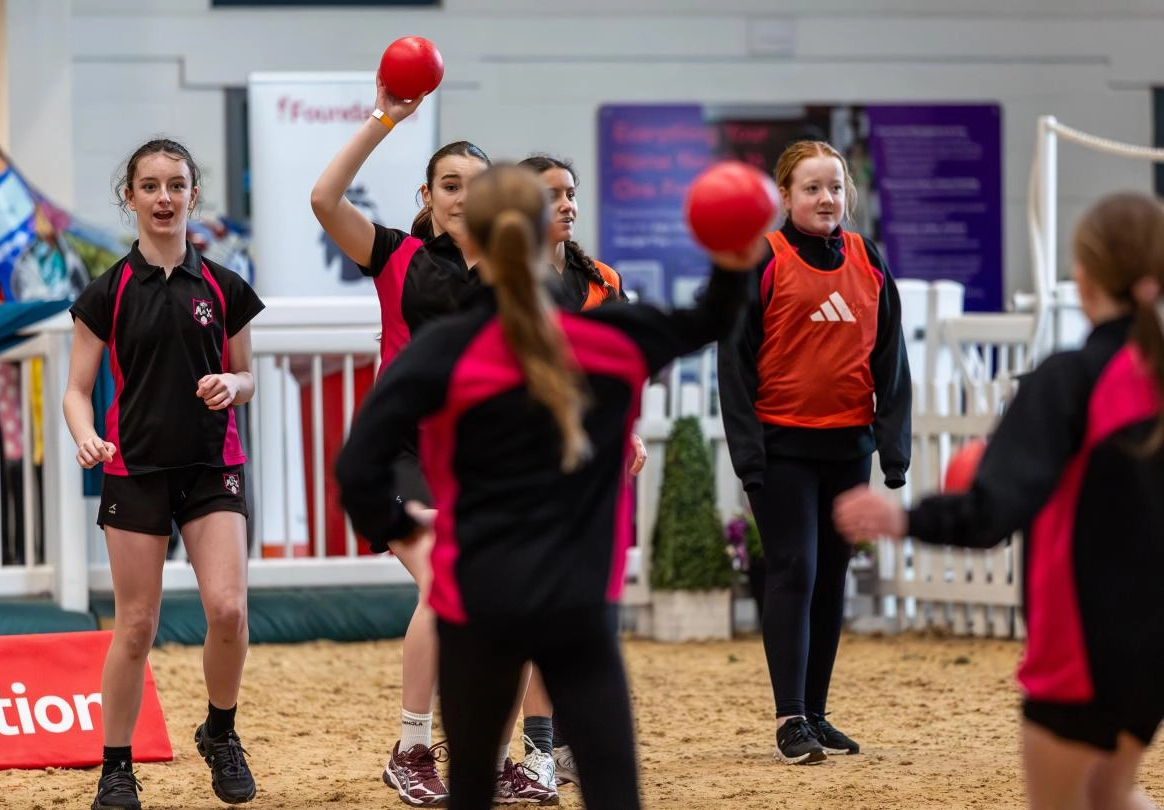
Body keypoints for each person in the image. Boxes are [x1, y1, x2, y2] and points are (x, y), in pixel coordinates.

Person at [335, 164, 758, 810]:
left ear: (470, 239)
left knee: (472, 790)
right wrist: (733, 253)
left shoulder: (441, 351)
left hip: (476, 598)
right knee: (615, 794)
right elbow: (714, 316)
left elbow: (355, 470)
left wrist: (403, 527)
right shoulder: (617, 339)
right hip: (580, 603)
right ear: (547, 234)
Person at [834, 191, 1164, 810]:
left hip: (1084, 643)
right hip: (1153, 646)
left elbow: (992, 512)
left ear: (1083, 277)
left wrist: (902, 517)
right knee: (1110, 793)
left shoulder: (1069, 380)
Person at [64, 139, 265, 809]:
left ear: (192, 195)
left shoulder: (225, 286)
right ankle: (115, 768)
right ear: (130, 198)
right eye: (149, 186)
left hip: (214, 463)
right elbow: (75, 390)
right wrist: (87, 434)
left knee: (229, 609)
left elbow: (248, 374)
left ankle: (221, 731)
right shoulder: (107, 292)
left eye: (175, 185)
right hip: (135, 467)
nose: (163, 197)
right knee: (136, 625)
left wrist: (232, 387)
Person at [310, 74, 489, 807]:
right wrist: (386, 116)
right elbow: (324, 199)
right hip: (401, 456)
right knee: (447, 587)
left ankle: (492, 753)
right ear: (426, 195)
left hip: (475, 461)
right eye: (449, 184)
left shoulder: (511, 272)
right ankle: (412, 748)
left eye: (477, 187)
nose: (462, 196)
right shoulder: (394, 256)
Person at [715, 139, 912, 764]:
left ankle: (818, 713)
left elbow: (892, 357)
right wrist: (749, 455)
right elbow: (735, 367)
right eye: (812, 188)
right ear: (785, 196)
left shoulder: (867, 257)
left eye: (835, 187)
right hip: (781, 449)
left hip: (847, 447)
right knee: (794, 571)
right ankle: (789, 718)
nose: (826, 198)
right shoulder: (761, 260)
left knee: (831, 580)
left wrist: (892, 447)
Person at [508, 154, 643, 800]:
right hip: (528, 466)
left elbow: (617, 372)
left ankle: (562, 744)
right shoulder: (505, 279)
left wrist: (630, 430)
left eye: (570, 193)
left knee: (588, 610)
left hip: (593, 468)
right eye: (551, 194)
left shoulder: (603, 281)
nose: (566, 204)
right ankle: (536, 749)